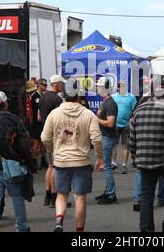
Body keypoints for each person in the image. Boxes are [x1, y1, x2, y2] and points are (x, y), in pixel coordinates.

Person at [41, 83, 104, 232]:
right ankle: (79, 230)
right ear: (78, 95)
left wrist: (53, 150)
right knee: (80, 197)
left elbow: (44, 138)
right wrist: (100, 158)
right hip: (81, 161)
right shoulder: (88, 114)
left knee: (61, 194)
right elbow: (96, 138)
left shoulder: (54, 114)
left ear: (63, 94)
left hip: (61, 161)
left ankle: (59, 220)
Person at [0, 91, 36, 232]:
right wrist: (30, 163)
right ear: (5, 103)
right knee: (17, 198)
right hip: (12, 166)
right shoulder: (14, 119)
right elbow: (24, 145)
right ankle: (21, 227)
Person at [128, 82, 164, 232]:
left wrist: (136, 158)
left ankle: (146, 230)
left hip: (144, 162)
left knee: (146, 197)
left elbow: (132, 140)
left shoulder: (138, 111)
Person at [38, 75, 66, 207]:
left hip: (45, 133)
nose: (62, 86)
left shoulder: (43, 96)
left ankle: (47, 196)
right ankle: (54, 198)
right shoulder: (57, 99)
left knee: (50, 166)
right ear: (56, 84)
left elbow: (38, 117)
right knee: (55, 167)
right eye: (61, 84)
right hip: (55, 137)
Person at [95, 77, 119, 205]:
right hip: (105, 137)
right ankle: (108, 191)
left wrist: (95, 119)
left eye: (99, 86)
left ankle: (111, 194)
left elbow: (110, 123)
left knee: (106, 167)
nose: (97, 88)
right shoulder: (106, 102)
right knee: (106, 167)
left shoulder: (110, 103)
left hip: (108, 137)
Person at [112, 81, 137, 174]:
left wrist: (132, 120)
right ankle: (113, 163)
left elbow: (135, 110)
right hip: (115, 124)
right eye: (119, 86)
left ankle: (124, 165)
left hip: (126, 125)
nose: (121, 88)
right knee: (113, 144)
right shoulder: (114, 97)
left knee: (125, 146)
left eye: (123, 86)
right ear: (117, 88)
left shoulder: (131, 97)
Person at [31, 78, 47, 170]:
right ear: (39, 85)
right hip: (36, 122)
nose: (45, 86)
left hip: (42, 122)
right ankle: (33, 160)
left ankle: (43, 159)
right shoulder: (35, 96)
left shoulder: (43, 95)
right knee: (37, 141)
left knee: (43, 141)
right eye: (43, 85)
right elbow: (38, 110)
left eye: (46, 85)